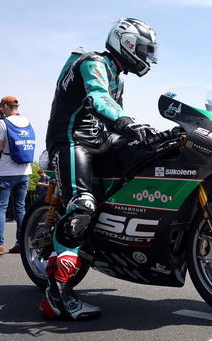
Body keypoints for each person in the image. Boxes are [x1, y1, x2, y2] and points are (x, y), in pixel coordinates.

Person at [39, 18, 159, 321]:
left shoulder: (118, 75)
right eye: (144, 49)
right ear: (126, 44)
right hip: (71, 138)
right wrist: (126, 121)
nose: (147, 56)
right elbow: (97, 97)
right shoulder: (94, 62)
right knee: (82, 206)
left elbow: (110, 114)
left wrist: (146, 132)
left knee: (151, 152)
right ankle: (56, 298)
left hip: (99, 138)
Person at [0, 96, 35, 257]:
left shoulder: (3, 123)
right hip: (25, 172)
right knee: (20, 208)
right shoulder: (28, 122)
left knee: (0, 208)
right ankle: (21, 243)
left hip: (7, 171)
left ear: (4, 106)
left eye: (1, 108)